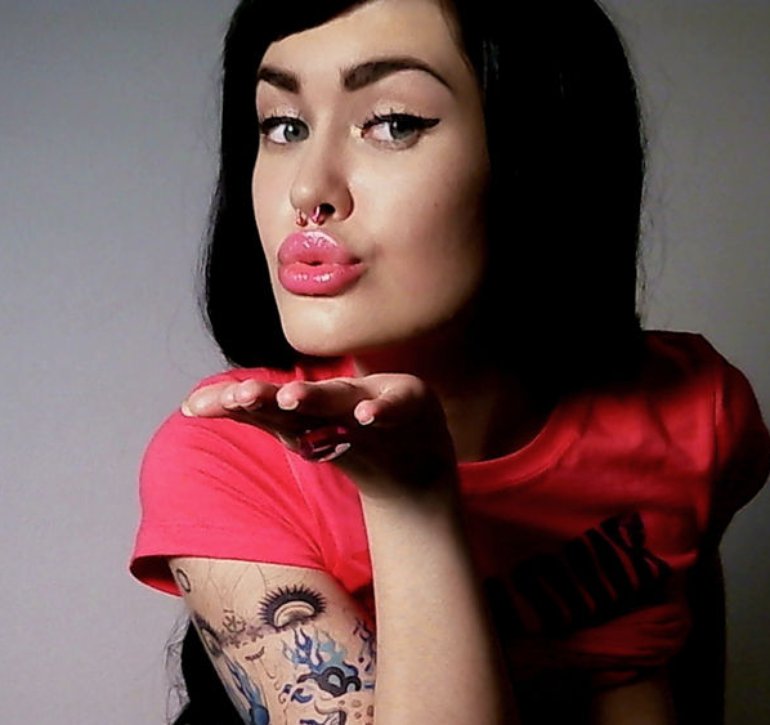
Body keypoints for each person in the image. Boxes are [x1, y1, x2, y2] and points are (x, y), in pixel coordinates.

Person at [130, 0, 770, 723]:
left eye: (393, 122)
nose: (308, 190)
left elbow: (685, 680)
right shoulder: (226, 457)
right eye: (284, 126)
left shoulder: (692, 407)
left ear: (540, 150)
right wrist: (409, 499)